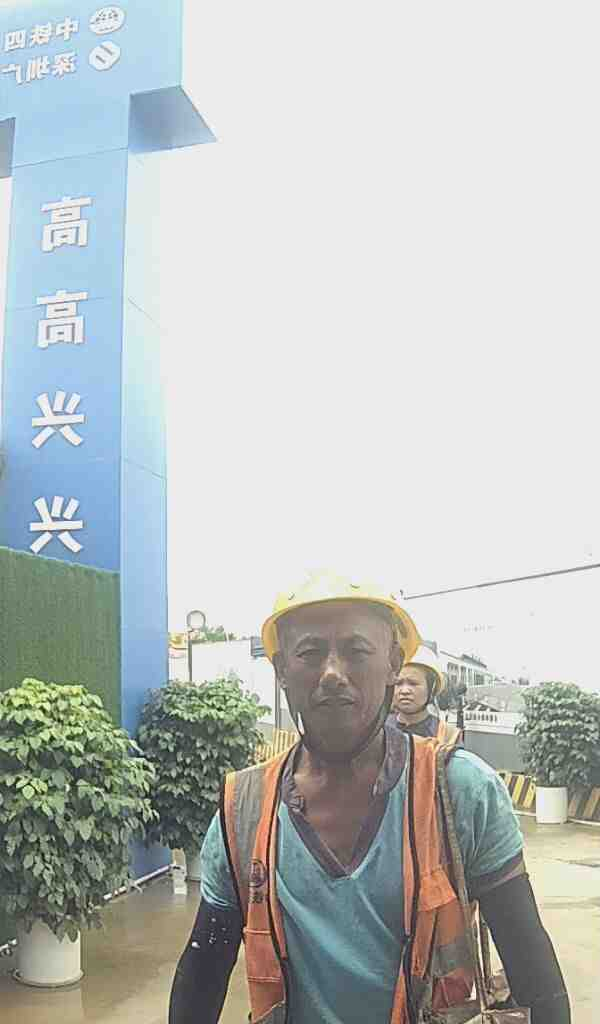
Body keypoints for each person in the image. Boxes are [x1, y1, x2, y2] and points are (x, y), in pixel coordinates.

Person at [169, 572, 570, 1024]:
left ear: (393, 663)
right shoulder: (244, 810)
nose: (332, 673)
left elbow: (534, 974)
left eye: (356, 651)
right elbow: (202, 973)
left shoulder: (460, 792)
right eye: (310, 653)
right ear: (281, 671)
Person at [389, 644, 461, 744]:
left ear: (432, 688)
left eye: (413, 683)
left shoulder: (448, 736)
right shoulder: (379, 730)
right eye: (398, 683)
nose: (404, 691)